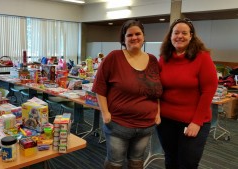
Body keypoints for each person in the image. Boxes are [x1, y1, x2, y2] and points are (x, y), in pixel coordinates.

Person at [92, 19, 162, 169]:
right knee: (115, 163)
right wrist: (105, 114)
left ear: (143, 36)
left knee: (137, 162)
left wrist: (158, 113)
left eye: (138, 34)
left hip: (146, 125)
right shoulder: (114, 57)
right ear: (123, 38)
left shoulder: (153, 60)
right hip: (118, 124)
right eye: (130, 35)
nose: (134, 37)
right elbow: (99, 87)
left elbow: (156, 90)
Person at [157, 18, 218, 169]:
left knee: (188, 163)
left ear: (191, 36)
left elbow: (208, 91)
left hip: (192, 121)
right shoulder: (164, 59)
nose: (180, 36)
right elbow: (157, 88)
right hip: (166, 121)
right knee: (171, 160)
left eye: (184, 33)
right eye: (176, 32)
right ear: (170, 36)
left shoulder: (202, 58)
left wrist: (197, 122)